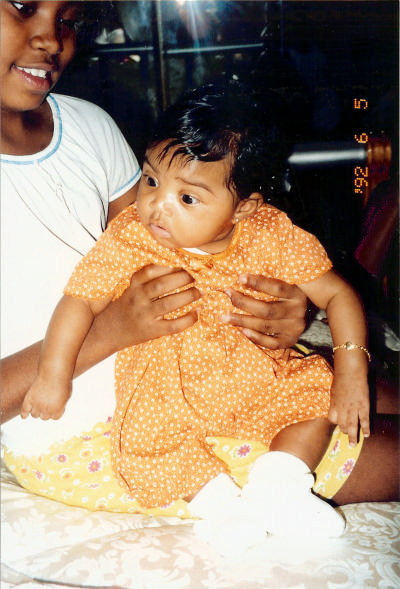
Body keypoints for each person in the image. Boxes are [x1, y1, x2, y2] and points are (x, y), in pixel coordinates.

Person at [20, 81, 383, 553]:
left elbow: (336, 294)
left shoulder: (270, 233)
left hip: (253, 375)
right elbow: (79, 300)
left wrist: (351, 369)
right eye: (151, 181)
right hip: (165, 387)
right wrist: (53, 374)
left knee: (316, 391)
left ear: (245, 207)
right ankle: (222, 509)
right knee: (147, 445)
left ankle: (280, 484)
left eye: (187, 198)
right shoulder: (132, 237)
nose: (157, 206)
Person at [0, 3, 307, 459]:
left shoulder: (90, 125)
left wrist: (277, 308)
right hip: (91, 426)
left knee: (360, 390)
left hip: (194, 376)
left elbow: (169, 252)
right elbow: (122, 308)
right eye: (23, 4)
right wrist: (111, 330)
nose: (51, 39)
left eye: (69, 19)